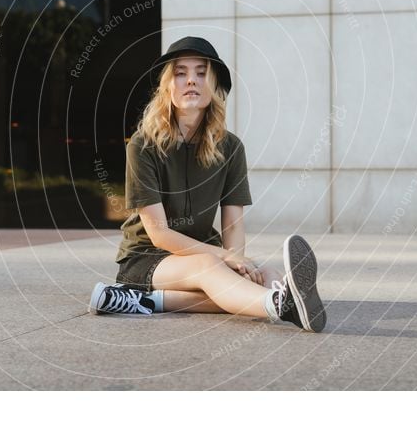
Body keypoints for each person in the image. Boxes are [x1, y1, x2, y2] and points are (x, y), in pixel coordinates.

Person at [88, 36, 326, 332]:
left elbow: (233, 226)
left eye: (201, 73)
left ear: (213, 86)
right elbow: (160, 234)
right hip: (148, 257)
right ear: (167, 86)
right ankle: (280, 306)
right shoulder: (142, 146)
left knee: (264, 273)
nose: (192, 80)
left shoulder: (231, 148)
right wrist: (224, 258)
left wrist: (238, 261)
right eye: (180, 73)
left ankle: (148, 301)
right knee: (212, 270)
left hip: (204, 252)